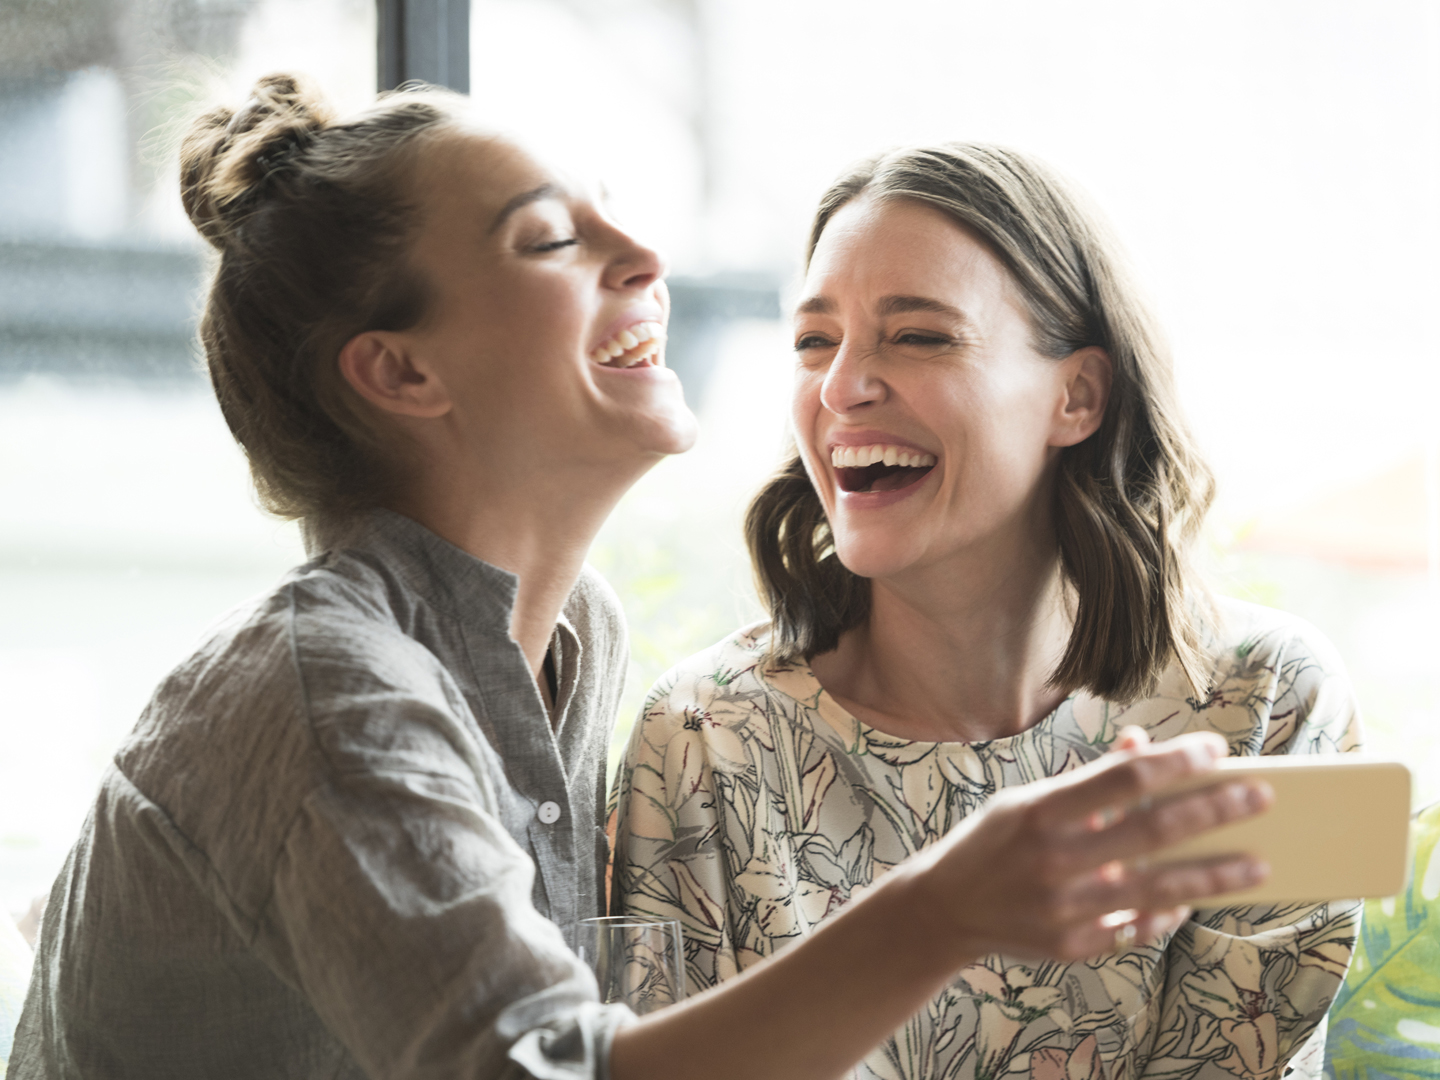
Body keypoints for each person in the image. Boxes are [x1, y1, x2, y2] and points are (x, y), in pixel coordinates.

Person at [8, 79, 1272, 1080]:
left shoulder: (571, 643)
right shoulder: (329, 696)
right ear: (401, 375)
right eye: (554, 238)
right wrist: (941, 912)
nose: (642, 253)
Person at [611, 143, 1362, 1080]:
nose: (841, 385)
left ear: (1077, 394)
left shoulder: (1266, 705)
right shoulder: (700, 735)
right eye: (814, 341)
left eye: (919, 336)